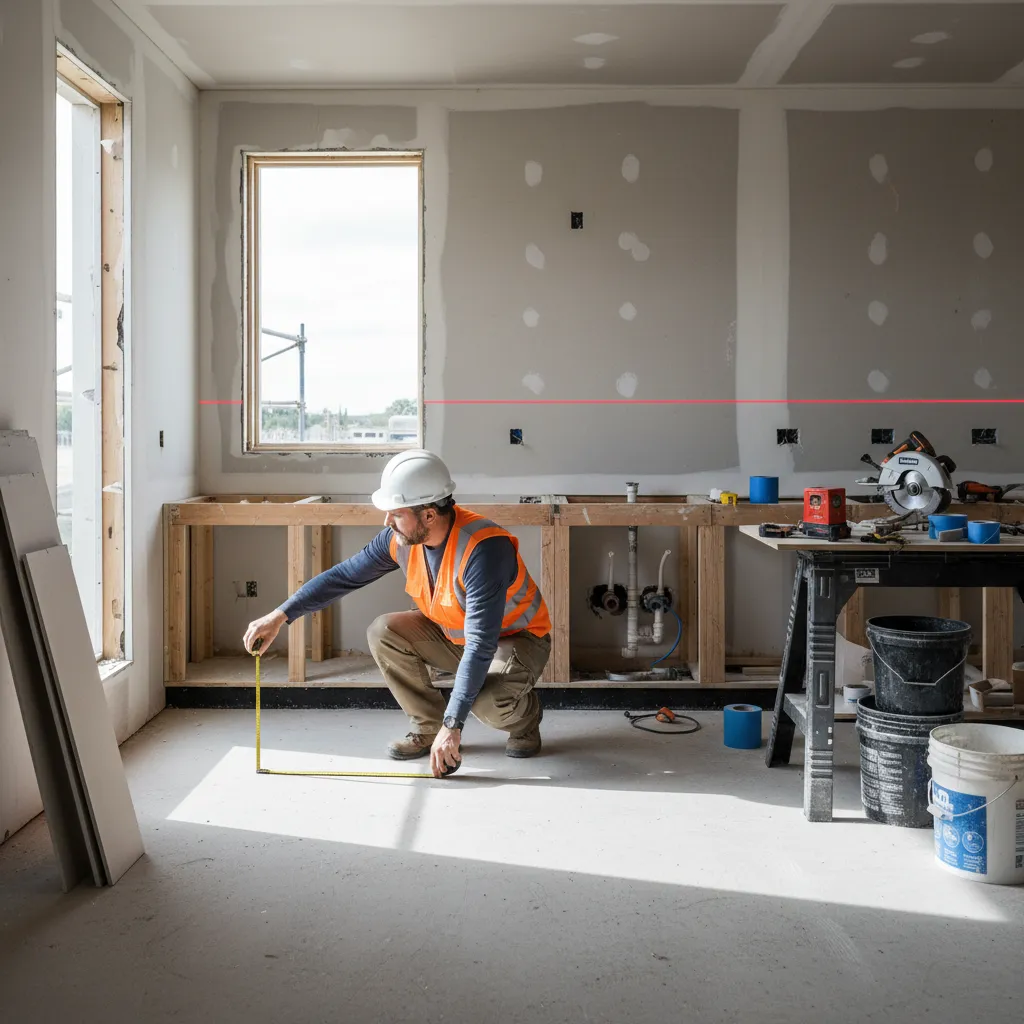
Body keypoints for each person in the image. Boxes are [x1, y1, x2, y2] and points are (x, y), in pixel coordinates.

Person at [242, 449, 551, 778]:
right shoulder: (401, 538)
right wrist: (280, 615)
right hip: (455, 636)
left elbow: (480, 645)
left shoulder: (483, 549)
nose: (387, 522)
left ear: (429, 515)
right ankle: (427, 728)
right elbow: (343, 576)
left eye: (396, 513)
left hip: (517, 640)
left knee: (489, 705)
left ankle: (526, 721)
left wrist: (454, 725)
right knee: (384, 630)